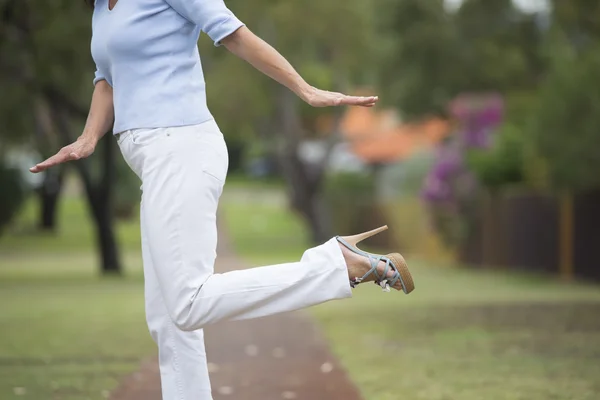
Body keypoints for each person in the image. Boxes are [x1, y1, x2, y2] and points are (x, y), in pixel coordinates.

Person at [30, 0, 415, 398]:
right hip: (155, 160)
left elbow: (234, 33)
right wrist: (87, 139)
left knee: (187, 303)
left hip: (182, 148)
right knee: (168, 320)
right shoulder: (100, 7)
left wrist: (305, 89)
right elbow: (107, 79)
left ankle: (333, 265)